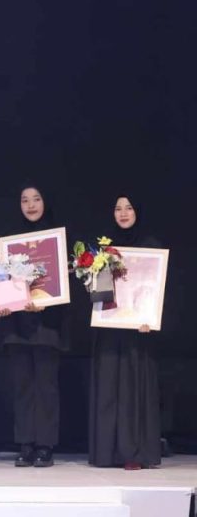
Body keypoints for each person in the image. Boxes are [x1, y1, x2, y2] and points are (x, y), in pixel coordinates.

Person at [0, 184, 69, 468]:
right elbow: (0, 281)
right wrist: (4, 302)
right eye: (24, 200)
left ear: (45, 202)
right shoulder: (10, 240)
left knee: (46, 388)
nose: (30, 205)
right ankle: (25, 444)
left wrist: (46, 302)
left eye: (36, 199)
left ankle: (45, 445)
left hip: (48, 325)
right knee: (23, 387)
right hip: (18, 325)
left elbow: (64, 285)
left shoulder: (57, 239)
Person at [89, 194, 162, 470]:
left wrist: (150, 318)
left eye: (129, 208)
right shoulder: (103, 248)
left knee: (134, 391)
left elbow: (157, 291)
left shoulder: (151, 247)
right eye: (117, 208)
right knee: (109, 389)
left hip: (138, 332)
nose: (123, 213)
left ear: (137, 211)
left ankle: (134, 452)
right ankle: (106, 452)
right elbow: (96, 292)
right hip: (110, 328)